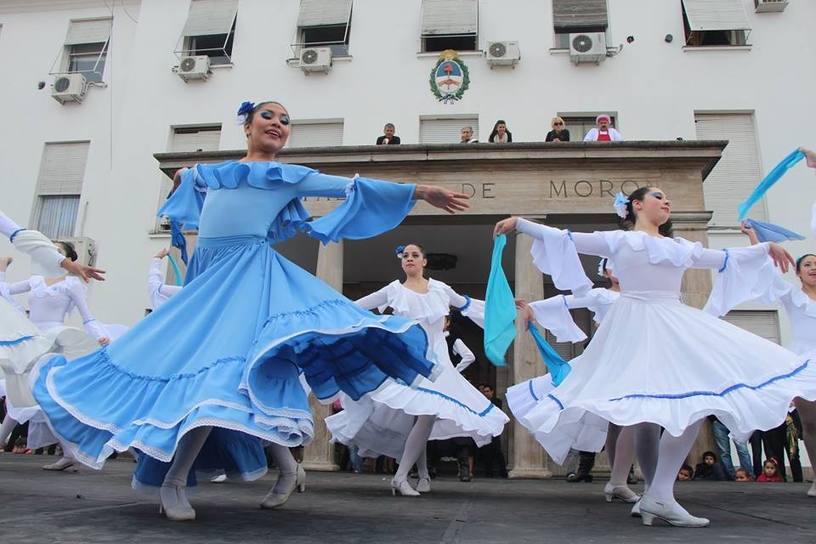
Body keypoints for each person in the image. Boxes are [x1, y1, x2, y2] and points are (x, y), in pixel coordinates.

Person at [31, 100, 469, 521]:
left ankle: (176, 481)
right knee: (222, 380)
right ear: (247, 126)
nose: (278, 123)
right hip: (207, 280)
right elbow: (188, 188)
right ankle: (288, 466)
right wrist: (185, 176)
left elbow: (351, 185)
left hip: (250, 278)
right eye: (268, 115)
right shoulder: (215, 174)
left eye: (285, 120)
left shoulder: (289, 176)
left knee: (217, 380)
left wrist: (420, 190)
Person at [494, 186, 812, 528]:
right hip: (635, 325)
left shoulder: (678, 247)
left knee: (692, 402)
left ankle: (658, 492)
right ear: (637, 205)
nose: (667, 201)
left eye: (668, 198)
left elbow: (724, 259)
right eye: (658, 196)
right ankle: (655, 492)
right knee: (645, 411)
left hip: (673, 322)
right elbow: (566, 237)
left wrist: (765, 246)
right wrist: (521, 223)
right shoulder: (619, 241)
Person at [326, 243, 508, 496]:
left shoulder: (441, 289)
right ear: (402, 262)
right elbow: (356, 306)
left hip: (439, 364)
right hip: (409, 361)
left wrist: (506, 307)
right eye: (405, 256)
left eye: (415, 255)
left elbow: (469, 305)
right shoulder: (393, 290)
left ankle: (411, 476)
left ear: (424, 261)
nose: (409, 259)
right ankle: (409, 476)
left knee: (425, 416)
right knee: (421, 417)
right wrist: (324, 310)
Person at [511, 258, 654, 504]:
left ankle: (620, 481)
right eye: (614, 265)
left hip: (636, 360)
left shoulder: (643, 297)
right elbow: (567, 300)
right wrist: (532, 308)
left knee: (627, 419)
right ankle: (621, 481)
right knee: (623, 420)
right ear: (607, 271)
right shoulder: (602, 296)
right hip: (610, 361)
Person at [711, 221, 816, 493]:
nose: (813, 268)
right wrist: (754, 237)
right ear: (798, 272)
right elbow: (767, 273)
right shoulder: (794, 296)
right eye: (807, 265)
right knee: (811, 423)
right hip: (806, 363)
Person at [0, 241, 114, 471]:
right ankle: (69, 451)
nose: (50, 254)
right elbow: (3, 293)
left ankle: (83, 448)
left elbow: (87, 317)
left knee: (38, 393)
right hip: (32, 337)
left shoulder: (71, 284)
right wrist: (3, 268)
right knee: (21, 390)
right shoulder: (34, 281)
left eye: (57, 251)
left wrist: (100, 336)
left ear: (68, 259)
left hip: (53, 339)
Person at [709, 415, 752, 480]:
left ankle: (748, 476)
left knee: (743, 451)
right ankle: (732, 477)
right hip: (719, 421)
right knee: (724, 452)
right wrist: (713, 419)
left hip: (735, 421)